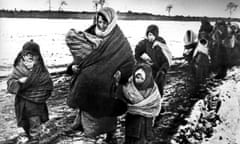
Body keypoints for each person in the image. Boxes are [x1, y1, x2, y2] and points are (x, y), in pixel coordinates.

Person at [65, 7, 135, 143]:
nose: (101, 25)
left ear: (111, 22)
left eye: (105, 22)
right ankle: (85, 128)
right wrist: (72, 67)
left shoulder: (119, 40)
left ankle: (110, 133)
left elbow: (129, 62)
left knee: (107, 110)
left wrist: (121, 73)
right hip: (87, 83)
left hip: (107, 83)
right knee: (85, 101)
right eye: (99, 21)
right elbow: (80, 57)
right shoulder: (89, 34)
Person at [7, 40, 53, 143]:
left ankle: (35, 139)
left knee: (35, 126)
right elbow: (10, 84)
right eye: (25, 56)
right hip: (22, 104)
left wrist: (31, 78)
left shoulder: (41, 70)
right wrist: (19, 82)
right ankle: (27, 137)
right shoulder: (18, 69)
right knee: (24, 126)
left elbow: (47, 85)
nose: (28, 58)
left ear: (38, 56)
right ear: (22, 56)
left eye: (32, 56)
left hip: (35, 105)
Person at [123, 63, 161, 144]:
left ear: (147, 77)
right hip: (131, 122)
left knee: (142, 140)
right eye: (137, 77)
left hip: (145, 125)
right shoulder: (129, 86)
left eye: (142, 77)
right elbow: (123, 100)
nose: (139, 79)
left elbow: (156, 106)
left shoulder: (152, 91)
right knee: (129, 140)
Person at [135, 24, 172, 96]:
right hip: (150, 70)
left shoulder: (161, 45)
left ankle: (159, 102)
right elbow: (137, 53)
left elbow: (167, 60)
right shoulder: (145, 43)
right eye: (149, 34)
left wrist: (163, 70)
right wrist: (142, 62)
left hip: (160, 71)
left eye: (152, 35)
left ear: (156, 35)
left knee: (159, 88)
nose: (150, 37)